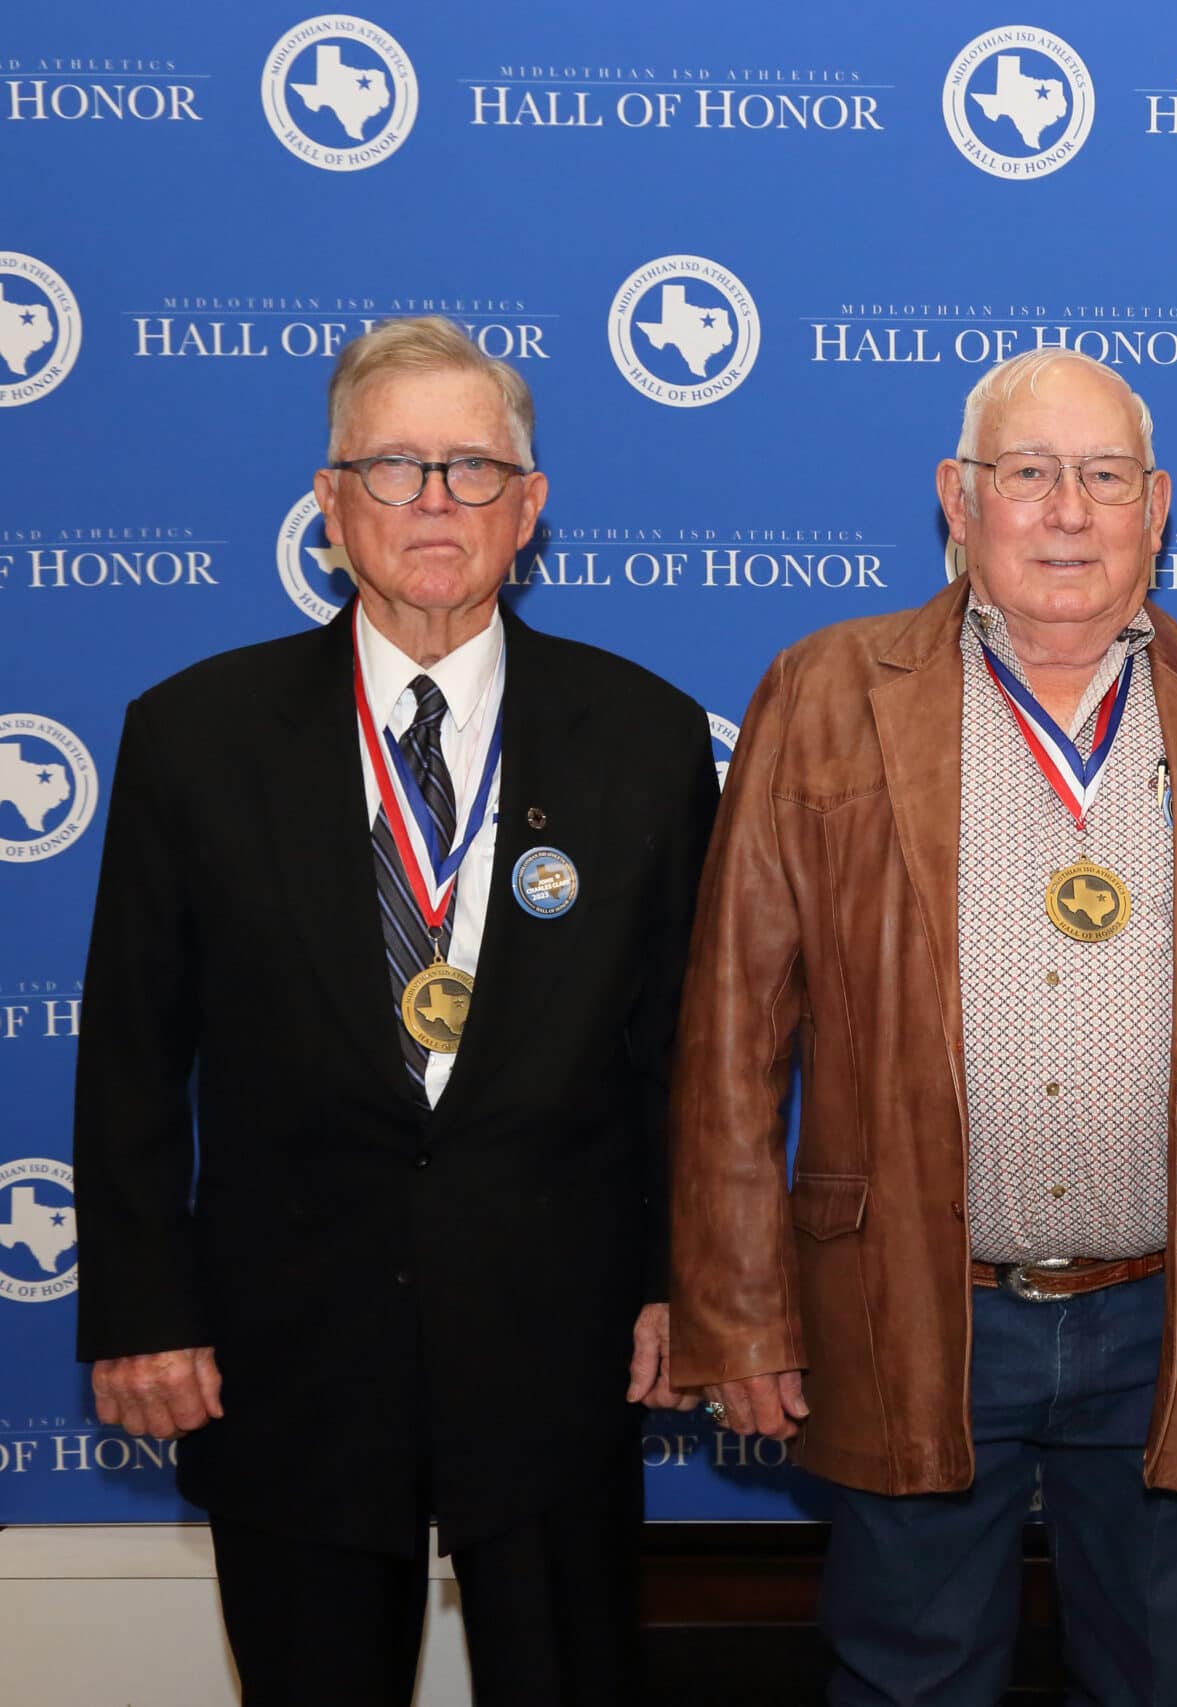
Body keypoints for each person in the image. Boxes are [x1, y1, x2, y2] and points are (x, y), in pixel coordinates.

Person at [668, 347, 1177, 1707]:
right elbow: (729, 1031)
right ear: (959, 498)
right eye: (1028, 475)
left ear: (1157, 506)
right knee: (912, 1674)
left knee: (1165, 1670)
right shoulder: (824, 694)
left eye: (1104, 477)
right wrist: (740, 1311)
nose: (1067, 511)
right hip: (912, 1304)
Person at [73, 315, 720, 1705]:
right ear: (329, 500)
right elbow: (132, 1050)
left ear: (532, 505)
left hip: (561, 1344)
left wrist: (687, 1280)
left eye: (475, 468)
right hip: (286, 1347)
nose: (438, 502)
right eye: (395, 466)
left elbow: (686, 1050)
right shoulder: (194, 735)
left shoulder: (648, 735)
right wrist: (138, 1309)